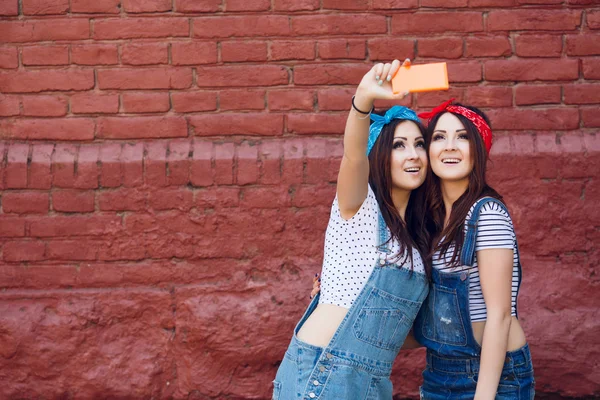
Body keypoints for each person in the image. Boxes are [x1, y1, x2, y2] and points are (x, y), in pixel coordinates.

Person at [272, 59, 430, 399]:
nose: (413, 154)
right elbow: (353, 156)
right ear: (379, 155)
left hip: (371, 383)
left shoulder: (416, 242)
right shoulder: (359, 205)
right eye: (399, 145)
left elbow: (391, 330)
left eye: (419, 144)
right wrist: (364, 98)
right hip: (322, 374)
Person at [414, 99, 535, 399]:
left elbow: (500, 316)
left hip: (494, 375)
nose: (450, 146)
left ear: (479, 151)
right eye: (439, 137)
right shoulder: (431, 219)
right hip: (439, 373)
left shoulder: (487, 214)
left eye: (463, 137)